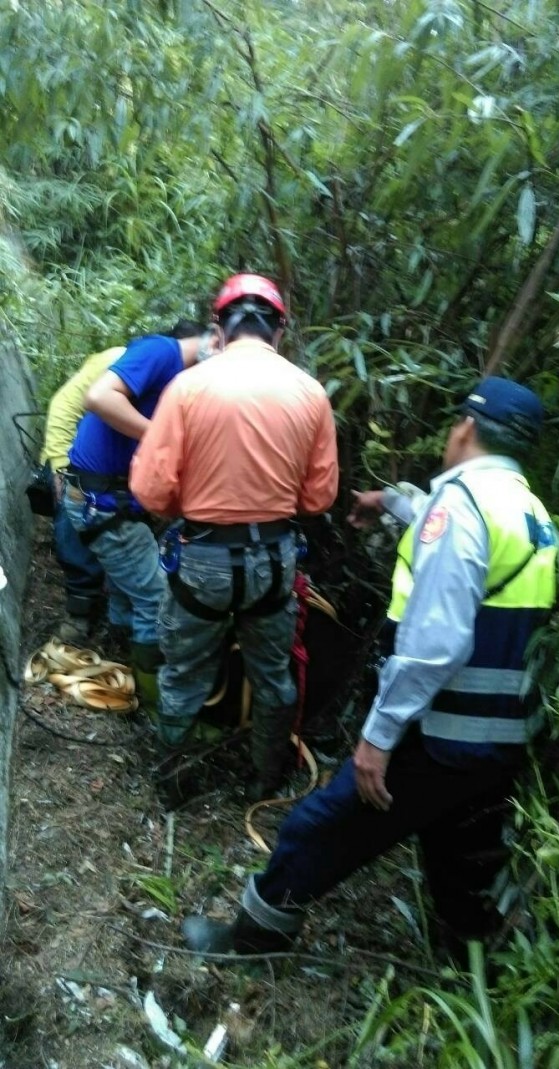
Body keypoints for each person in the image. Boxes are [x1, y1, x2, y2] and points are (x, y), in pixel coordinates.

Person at [181, 376, 558, 959]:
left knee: (319, 826)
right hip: (502, 734)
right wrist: (394, 502)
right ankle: (474, 957)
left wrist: (378, 739)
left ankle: (256, 936)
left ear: (466, 428)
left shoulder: (461, 509)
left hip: (437, 733)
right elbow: (454, 537)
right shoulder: (528, 510)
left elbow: (434, 645)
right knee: (463, 849)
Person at [130, 274, 339, 800]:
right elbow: (318, 499)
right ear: (279, 331)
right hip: (274, 561)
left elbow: (151, 491)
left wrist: (195, 508)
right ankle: (266, 781)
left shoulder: (189, 387)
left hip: (203, 557)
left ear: (219, 327)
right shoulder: (310, 393)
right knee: (274, 675)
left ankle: (174, 784)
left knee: (184, 675)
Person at [62, 321, 213, 704]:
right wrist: (160, 437)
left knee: (132, 581)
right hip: (101, 502)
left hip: (110, 500)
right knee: (155, 597)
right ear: (216, 333)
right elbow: (98, 397)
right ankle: (150, 699)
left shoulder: (185, 381)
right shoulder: (163, 351)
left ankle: (121, 644)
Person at [40, 344, 126, 643]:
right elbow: (64, 406)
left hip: (112, 464)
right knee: (72, 526)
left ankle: (116, 606)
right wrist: (61, 467)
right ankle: (79, 612)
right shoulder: (120, 361)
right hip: (75, 460)